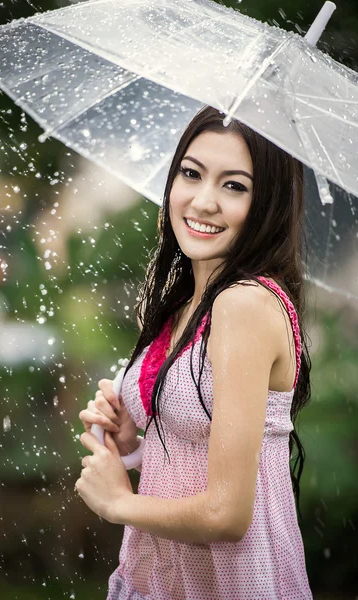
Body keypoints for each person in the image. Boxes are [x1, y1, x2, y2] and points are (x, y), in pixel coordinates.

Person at [76, 105, 313, 599]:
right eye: (191, 173)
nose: (203, 201)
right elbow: (200, 453)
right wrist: (134, 445)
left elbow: (226, 514)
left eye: (234, 186)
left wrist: (119, 503)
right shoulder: (187, 304)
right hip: (162, 576)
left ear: (266, 203)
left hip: (229, 583)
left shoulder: (243, 304)